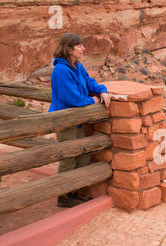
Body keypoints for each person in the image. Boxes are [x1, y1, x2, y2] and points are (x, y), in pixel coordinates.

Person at [49, 33, 111, 208]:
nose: (83, 48)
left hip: (76, 120)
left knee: (82, 156)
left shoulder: (77, 66)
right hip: (64, 120)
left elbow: (90, 82)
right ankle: (63, 195)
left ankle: (74, 192)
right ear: (69, 49)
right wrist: (93, 100)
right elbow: (73, 98)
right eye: (79, 46)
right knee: (69, 158)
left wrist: (102, 90)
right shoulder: (61, 71)